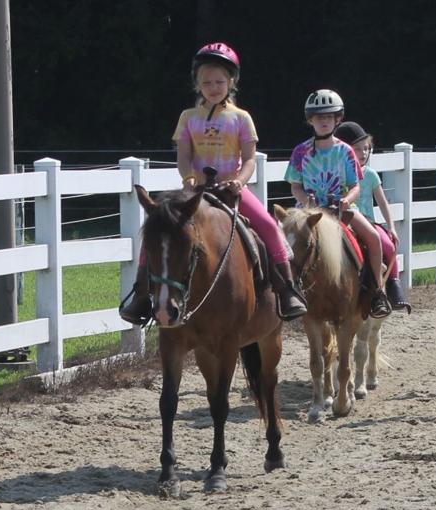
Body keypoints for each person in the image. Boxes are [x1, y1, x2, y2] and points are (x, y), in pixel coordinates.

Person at [119, 42, 308, 326]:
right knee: (159, 230)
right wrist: (188, 177)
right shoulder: (188, 117)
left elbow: (249, 160)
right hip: (194, 190)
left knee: (269, 226)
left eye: (219, 81)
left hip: (230, 188)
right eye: (206, 81)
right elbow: (183, 156)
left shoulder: (241, 118)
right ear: (197, 83)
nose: (213, 87)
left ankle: (286, 289)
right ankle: (142, 294)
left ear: (231, 81)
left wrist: (239, 181)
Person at [287, 90, 392, 318]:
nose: (324, 121)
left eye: (329, 117)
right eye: (318, 117)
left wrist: (347, 200)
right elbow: (295, 186)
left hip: (342, 210)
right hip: (309, 212)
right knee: (283, 241)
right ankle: (285, 291)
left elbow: (355, 186)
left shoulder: (345, 152)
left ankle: (378, 292)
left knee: (374, 239)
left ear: (337, 119)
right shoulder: (300, 152)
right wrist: (307, 201)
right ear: (310, 120)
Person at [334, 120, 410, 311]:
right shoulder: (336, 173)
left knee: (387, 244)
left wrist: (391, 226)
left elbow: (383, 202)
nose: (364, 153)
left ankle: (392, 285)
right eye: (358, 149)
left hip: (367, 220)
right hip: (341, 218)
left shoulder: (371, 175)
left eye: (366, 148)